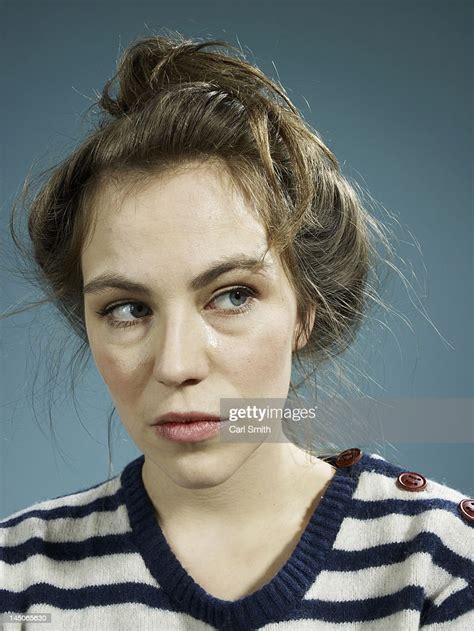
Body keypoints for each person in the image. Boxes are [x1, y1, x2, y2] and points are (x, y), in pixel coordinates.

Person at [0, 31, 472, 631]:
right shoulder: (15, 579)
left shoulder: (443, 563)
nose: (175, 364)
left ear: (305, 310)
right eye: (127, 309)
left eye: (232, 296)